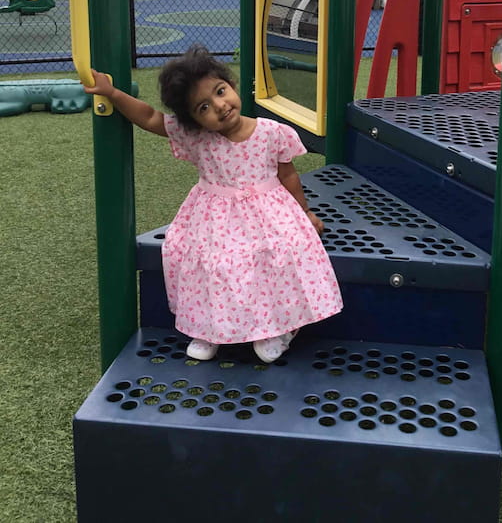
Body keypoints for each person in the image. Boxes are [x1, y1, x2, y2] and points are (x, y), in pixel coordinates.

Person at [84, 45, 342, 363]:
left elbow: (287, 175)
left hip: (268, 213)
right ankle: (206, 327)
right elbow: (150, 118)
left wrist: (303, 212)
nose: (219, 107)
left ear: (231, 85)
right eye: (203, 107)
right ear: (193, 120)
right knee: (209, 263)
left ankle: (275, 328)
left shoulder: (272, 132)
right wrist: (113, 93)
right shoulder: (199, 137)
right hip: (215, 216)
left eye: (221, 92)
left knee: (272, 257)